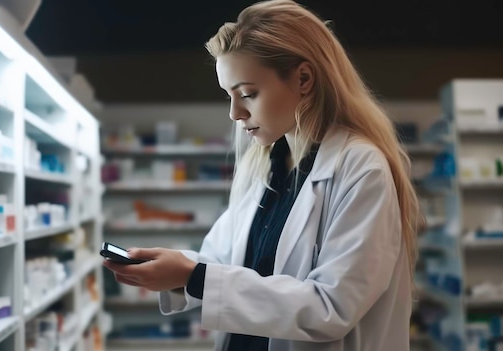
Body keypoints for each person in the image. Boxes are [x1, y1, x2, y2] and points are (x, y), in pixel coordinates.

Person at [103, 0, 421, 350]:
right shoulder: (266, 166)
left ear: (303, 79)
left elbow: (332, 307)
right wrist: (175, 269)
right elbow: (220, 261)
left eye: (247, 94)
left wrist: (194, 276)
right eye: (229, 96)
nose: (235, 113)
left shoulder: (361, 168)